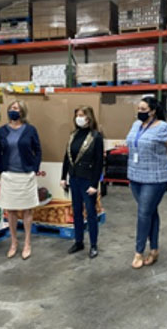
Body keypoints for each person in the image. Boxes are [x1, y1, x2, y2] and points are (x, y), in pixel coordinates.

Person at [126, 96, 167, 269]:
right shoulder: (136, 125)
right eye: (138, 109)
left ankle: (139, 252)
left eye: (143, 110)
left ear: (153, 111)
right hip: (135, 175)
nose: (139, 113)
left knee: (143, 213)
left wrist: (165, 164)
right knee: (150, 212)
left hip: (155, 178)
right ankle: (154, 249)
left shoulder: (163, 128)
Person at [0, 100, 42, 261]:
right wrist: (2, 170)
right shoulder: (2, 131)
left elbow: (38, 149)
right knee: (11, 211)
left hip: (25, 175)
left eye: (16, 108)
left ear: (22, 112)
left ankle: (27, 242)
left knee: (27, 210)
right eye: (11, 108)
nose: (13, 111)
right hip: (9, 176)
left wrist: (34, 168)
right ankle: (14, 242)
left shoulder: (30, 130)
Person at [60, 106, 104, 259]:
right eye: (77, 115)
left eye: (82, 115)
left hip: (88, 180)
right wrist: (63, 177)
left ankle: (93, 245)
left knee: (91, 213)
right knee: (76, 212)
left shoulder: (96, 136)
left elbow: (99, 162)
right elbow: (67, 157)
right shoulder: (73, 135)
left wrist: (94, 184)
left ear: (89, 118)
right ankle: (79, 241)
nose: (79, 118)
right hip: (74, 178)